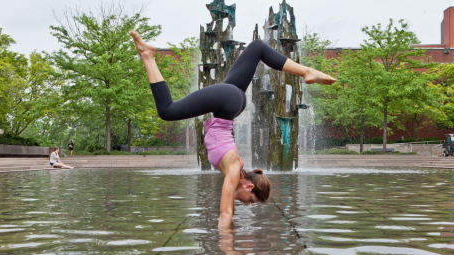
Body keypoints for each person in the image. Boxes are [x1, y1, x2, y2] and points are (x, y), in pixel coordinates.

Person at [131, 30, 336, 228]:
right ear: (249, 186)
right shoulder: (235, 170)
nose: (247, 204)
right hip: (228, 101)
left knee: (257, 48)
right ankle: (148, 57)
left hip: (232, 102)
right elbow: (225, 213)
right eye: (251, 200)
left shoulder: (236, 168)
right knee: (167, 111)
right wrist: (227, 251)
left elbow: (228, 209)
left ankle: (307, 71)